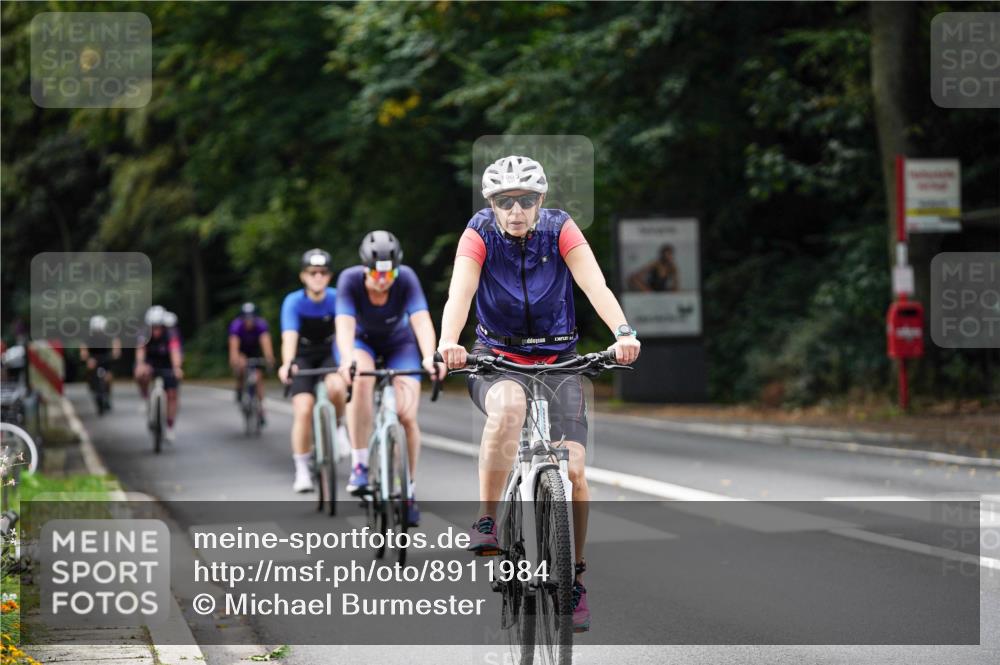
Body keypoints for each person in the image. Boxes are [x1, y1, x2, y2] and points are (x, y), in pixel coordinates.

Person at [437, 155, 641, 632]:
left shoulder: (560, 229)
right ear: (491, 204)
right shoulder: (478, 233)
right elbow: (459, 295)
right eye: (505, 202)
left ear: (540, 201)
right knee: (508, 407)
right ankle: (488, 520)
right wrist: (449, 342)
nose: (516, 211)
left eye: (526, 201)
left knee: (572, 471)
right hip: (497, 359)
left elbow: (595, 284)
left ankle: (573, 578)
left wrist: (624, 332)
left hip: (559, 361)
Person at [334, 231, 443, 526]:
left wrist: (430, 355)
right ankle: (359, 463)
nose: (383, 280)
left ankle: (408, 490)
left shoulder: (406, 278)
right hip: (362, 342)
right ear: (364, 268)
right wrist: (346, 359)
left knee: (407, 415)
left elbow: (421, 320)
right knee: (361, 379)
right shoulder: (349, 280)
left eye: (389, 273)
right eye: (375, 273)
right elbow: (343, 325)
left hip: (400, 344)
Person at [278, 249, 349, 493]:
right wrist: (287, 363)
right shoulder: (293, 301)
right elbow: (289, 337)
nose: (317, 277)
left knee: (337, 387)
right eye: (312, 272)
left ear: (328, 276)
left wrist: (343, 364)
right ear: (303, 276)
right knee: (303, 408)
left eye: (322, 272)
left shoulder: (337, 298)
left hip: (330, 351)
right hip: (304, 355)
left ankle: (339, 426)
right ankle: (302, 470)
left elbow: (343, 335)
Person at [134, 305, 184, 442]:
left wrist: (177, 367)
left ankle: (170, 426)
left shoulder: (171, 333)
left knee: (172, 394)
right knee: (140, 373)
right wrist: (140, 365)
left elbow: (175, 351)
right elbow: (140, 351)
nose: (155, 330)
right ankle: (144, 398)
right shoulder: (144, 333)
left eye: (158, 327)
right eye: (153, 327)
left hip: (168, 364)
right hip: (151, 363)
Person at [228, 302, 276, 424]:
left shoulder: (261, 325)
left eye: (251, 318)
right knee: (241, 365)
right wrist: (235, 361)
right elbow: (234, 346)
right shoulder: (236, 326)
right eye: (246, 318)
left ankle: (260, 407)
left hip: (255, 351)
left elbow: (266, 343)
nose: (249, 321)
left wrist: (269, 358)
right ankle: (239, 388)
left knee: (258, 378)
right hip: (242, 350)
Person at [80, 315, 122, 408]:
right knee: (90, 370)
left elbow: (116, 343)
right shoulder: (89, 336)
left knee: (108, 377)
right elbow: (83, 349)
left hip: (106, 359)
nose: (98, 333)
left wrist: (116, 352)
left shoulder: (109, 335)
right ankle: (91, 385)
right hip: (93, 359)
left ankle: (108, 395)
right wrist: (86, 357)